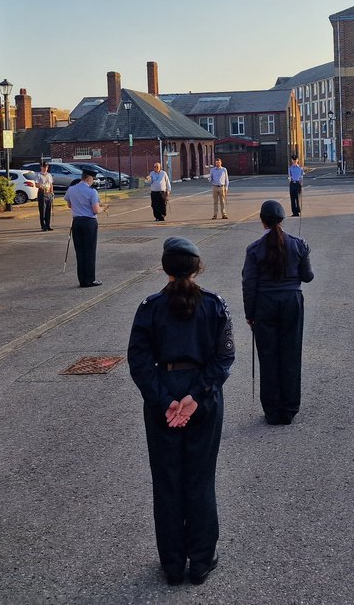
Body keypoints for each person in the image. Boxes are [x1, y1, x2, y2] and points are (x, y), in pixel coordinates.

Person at [128, 237, 235, 586]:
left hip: (165, 390)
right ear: (197, 267)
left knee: (168, 481)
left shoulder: (150, 307)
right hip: (202, 395)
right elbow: (224, 357)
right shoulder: (215, 305)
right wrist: (197, 395)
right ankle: (202, 560)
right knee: (200, 479)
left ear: (165, 268)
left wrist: (165, 400)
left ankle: (173, 564)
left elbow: (140, 361)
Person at [242, 200, 314, 425]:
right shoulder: (298, 244)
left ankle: (272, 410)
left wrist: (250, 313)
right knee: (291, 354)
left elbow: (249, 283)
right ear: (282, 220)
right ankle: (290, 407)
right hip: (291, 301)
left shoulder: (254, 249)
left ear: (262, 221)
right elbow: (308, 276)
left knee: (268, 356)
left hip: (265, 303)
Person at [66, 167, 107, 287]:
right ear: (89, 178)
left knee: (80, 251)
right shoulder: (92, 192)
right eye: (93, 179)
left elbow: (69, 205)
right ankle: (90, 279)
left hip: (77, 222)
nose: (93, 181)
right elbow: (96, 210)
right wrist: (104, 208)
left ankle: (82, 279)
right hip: (89, 222)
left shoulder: (71, 189)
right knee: (89, 251)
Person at [35, 163, 55, 231]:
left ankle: (48, 225)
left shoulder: (49, 175)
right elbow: (36, 184)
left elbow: (51, 184)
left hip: (48, 193)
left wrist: (52, 192)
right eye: (44, 167)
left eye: (46, 167)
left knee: (48, 210)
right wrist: (42, 187)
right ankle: (43, 226)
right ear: (41, 167)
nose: (45, 168)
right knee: (43, 210)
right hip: (42, 193)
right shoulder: (38, 175)